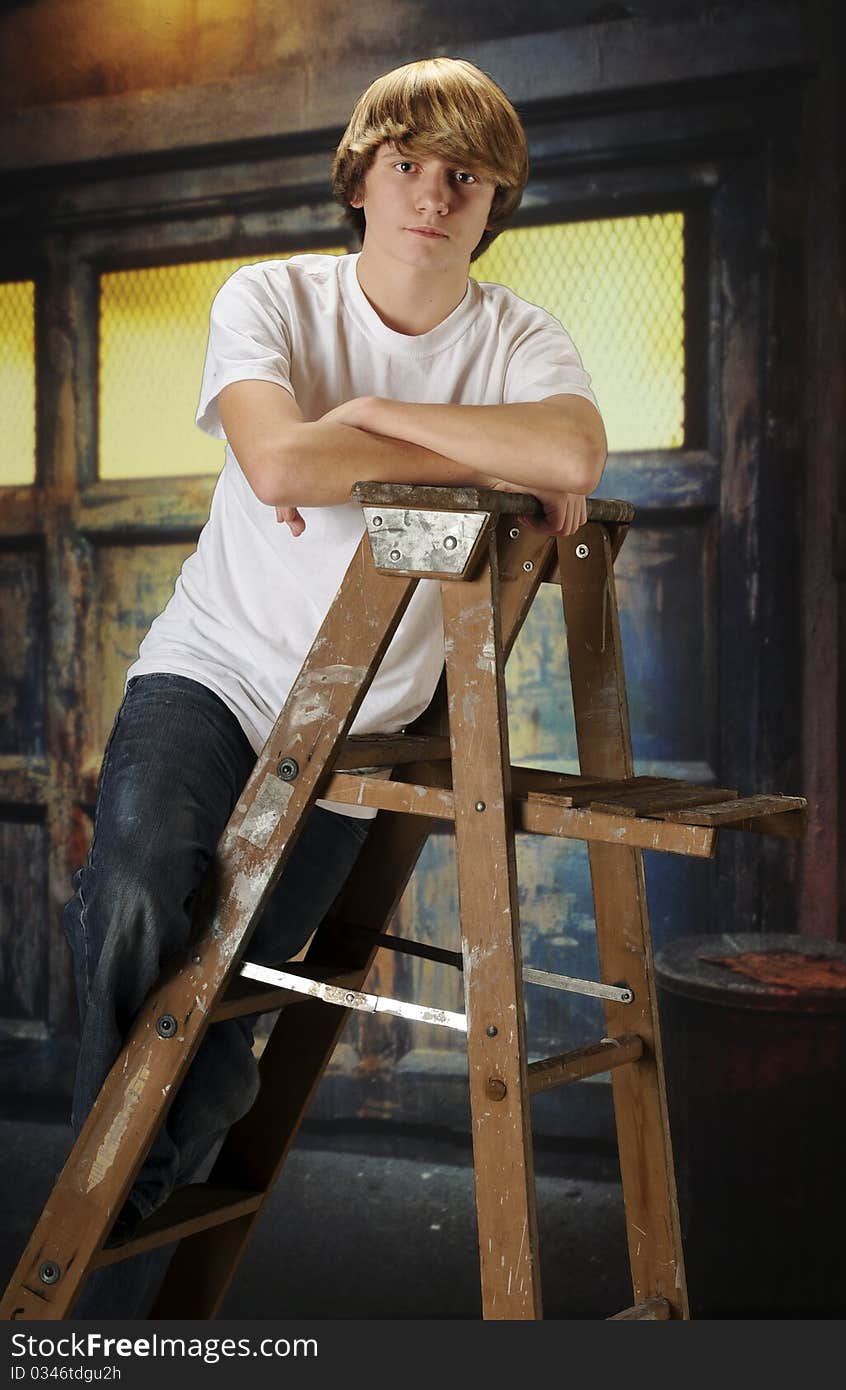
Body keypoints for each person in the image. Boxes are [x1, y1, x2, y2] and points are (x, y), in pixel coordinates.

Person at [61, 55, 607, 1309]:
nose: (434, 192)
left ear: (493, 201)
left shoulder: (519, 331)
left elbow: (573, 446)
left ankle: (112, 1197)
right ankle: (110, 1193)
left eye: (464, 176)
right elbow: (276, 468)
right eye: (407, 163)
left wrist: (367, 415)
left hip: (362, 729)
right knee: (143, 892)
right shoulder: (271, 297)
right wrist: (451, 438)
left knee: (238, 975)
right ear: (360, 176)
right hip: (214, 671)